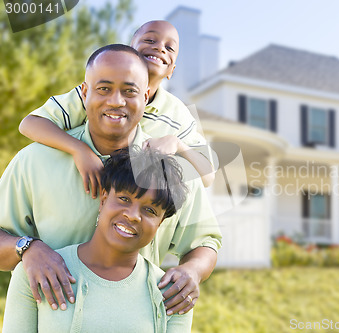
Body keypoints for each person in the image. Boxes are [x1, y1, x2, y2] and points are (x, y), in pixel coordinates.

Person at [0, 44, 221, 317]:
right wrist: (27, 248)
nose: (116, 101)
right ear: (84, 92)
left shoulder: (173, 173)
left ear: (147, 95)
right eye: (104, 88)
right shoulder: (33, 161)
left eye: (129, 91)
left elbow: (205, 242)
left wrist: (192, 271)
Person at [3, 148, 193, 332]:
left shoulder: (173, 294)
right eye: (124, 199)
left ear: (159, 224)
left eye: (150, 210)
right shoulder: (37, 272)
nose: (133, 215)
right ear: (103, 200)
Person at [19, 20, 216, 193]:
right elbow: (30, 124)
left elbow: (208, 176)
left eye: (169, 47)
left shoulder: (177, 114)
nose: (160, 48)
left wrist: (177, 144)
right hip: (79, 190)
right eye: (150, 40)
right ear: (129, 50)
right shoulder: (97, 94)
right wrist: (79, 150)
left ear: (172, 70)